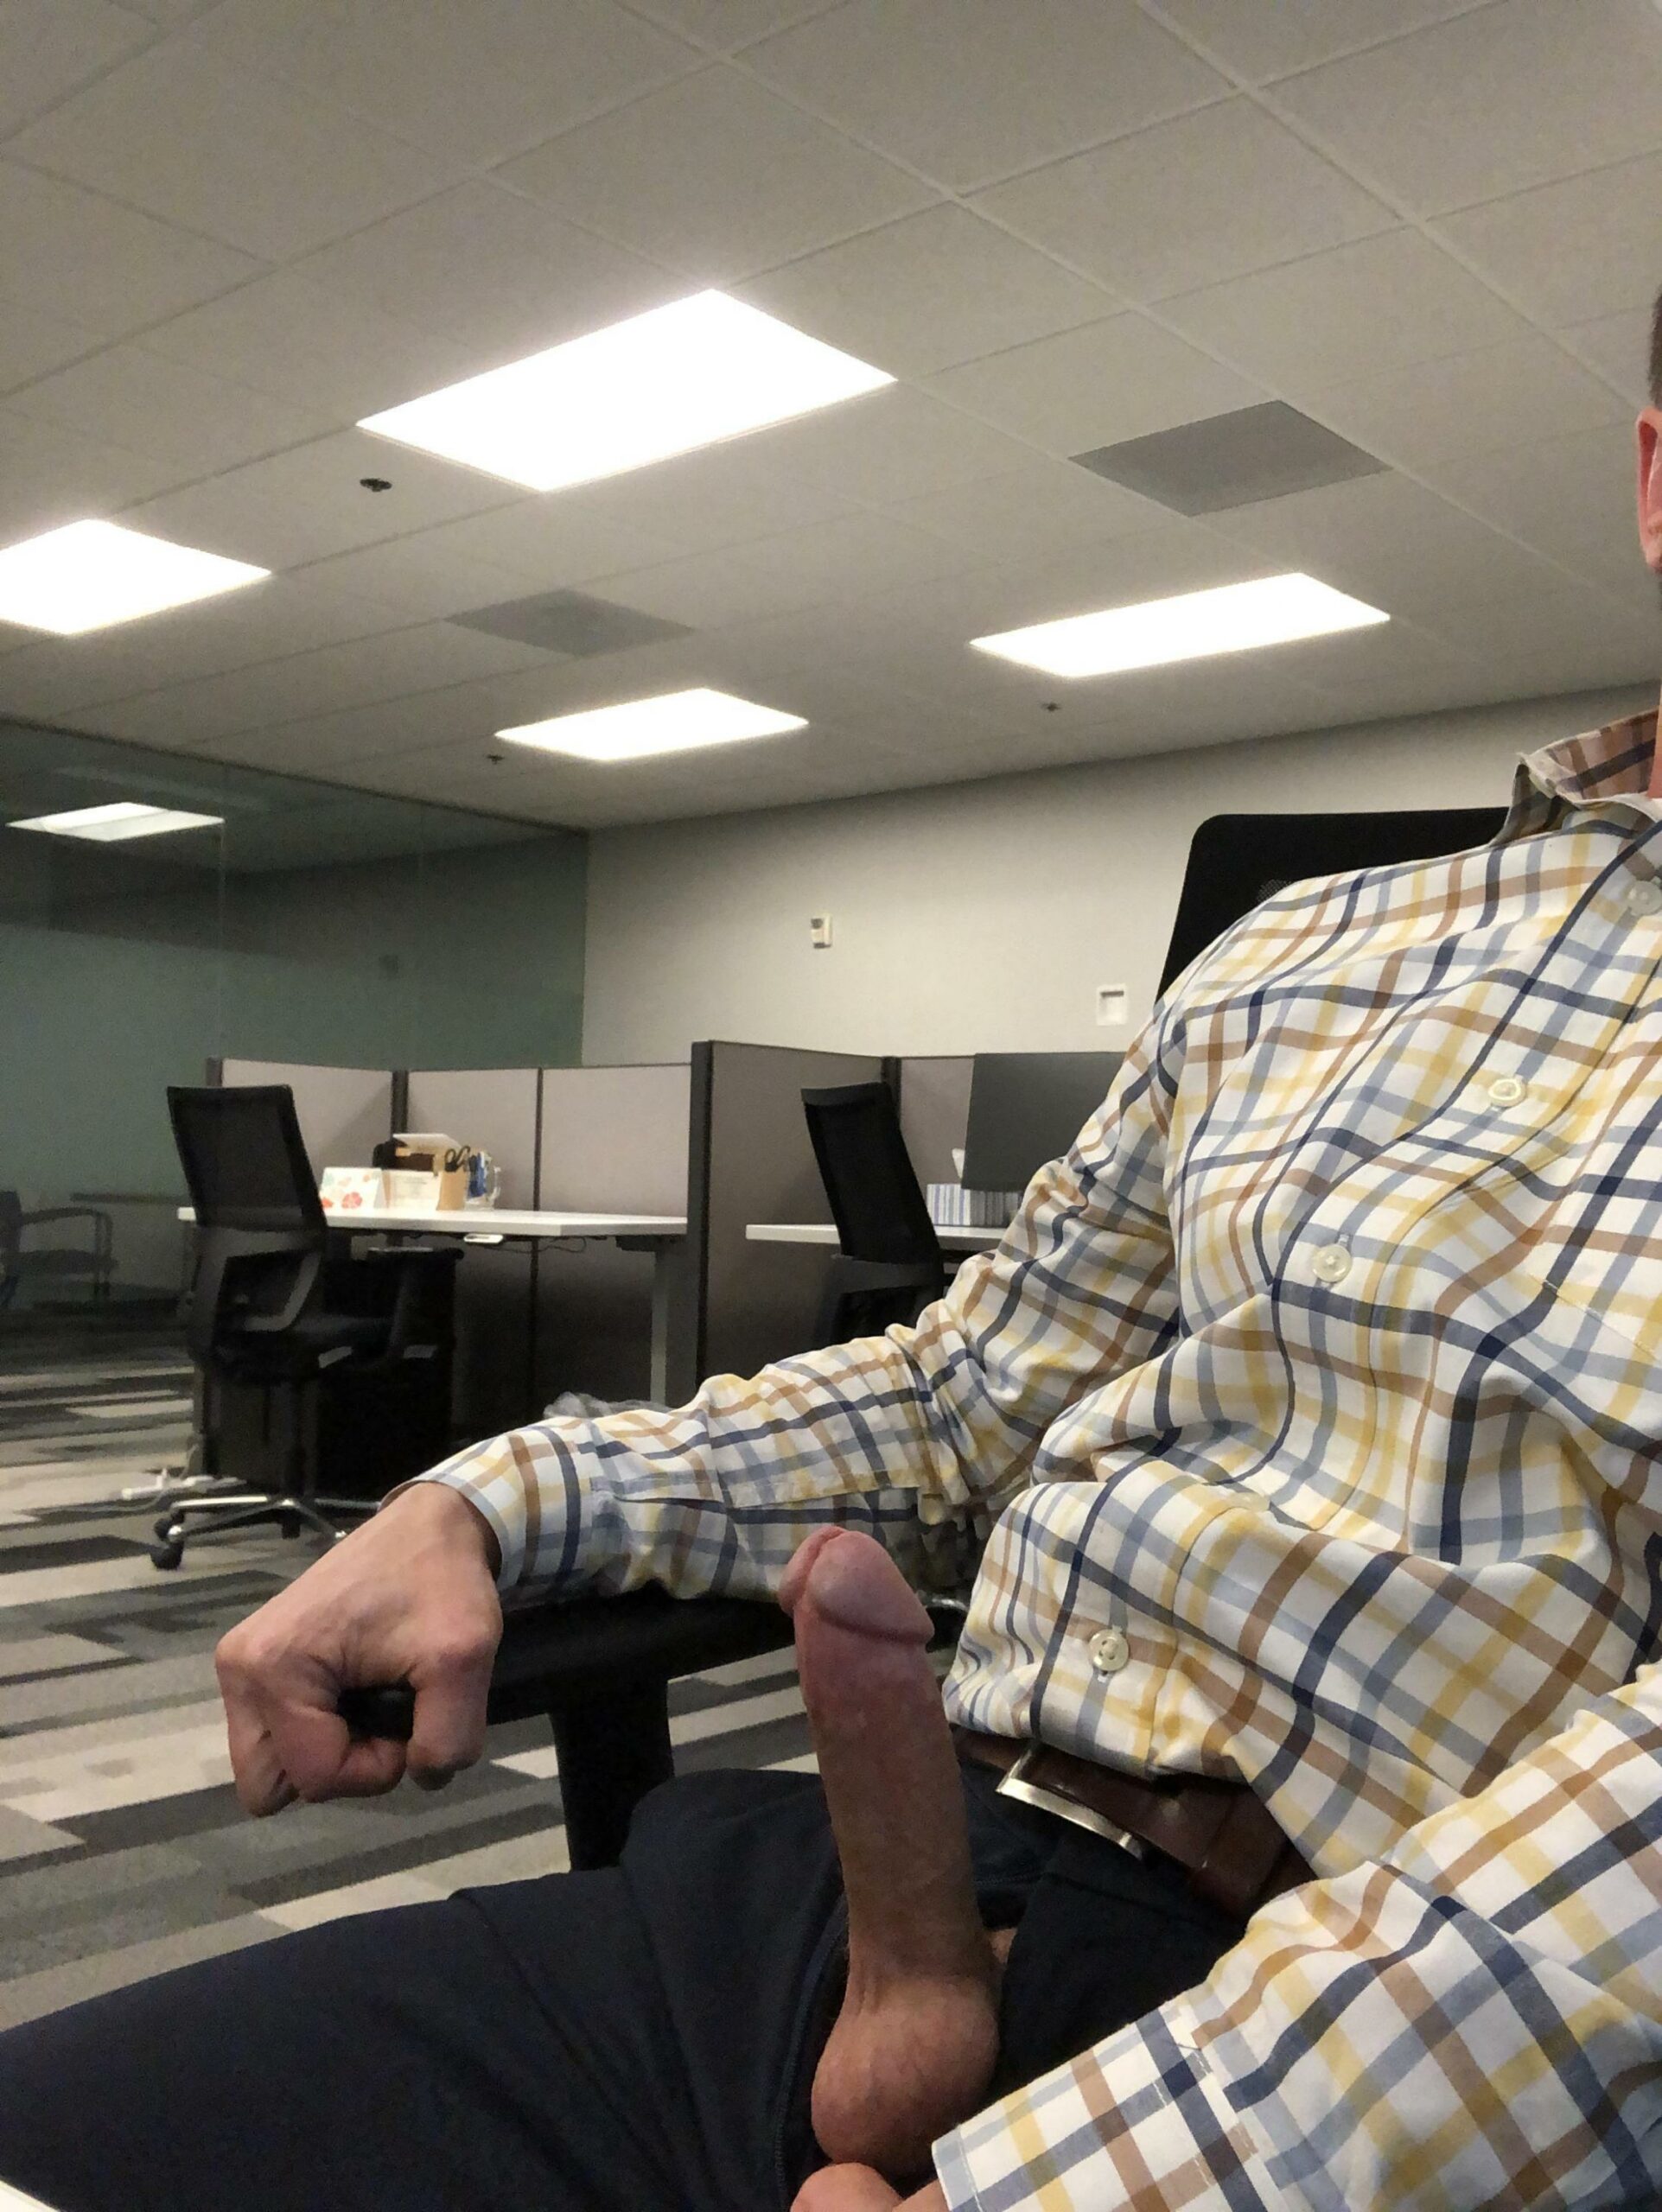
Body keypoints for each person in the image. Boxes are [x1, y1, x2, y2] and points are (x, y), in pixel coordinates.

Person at [6, 311, 1662, 2212]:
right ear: (1651, 479)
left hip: (1373, 2059)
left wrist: (1089, 2175)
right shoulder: (1319, 947)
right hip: (898, 1880)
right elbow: (962, 1397)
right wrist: (493, 1498)